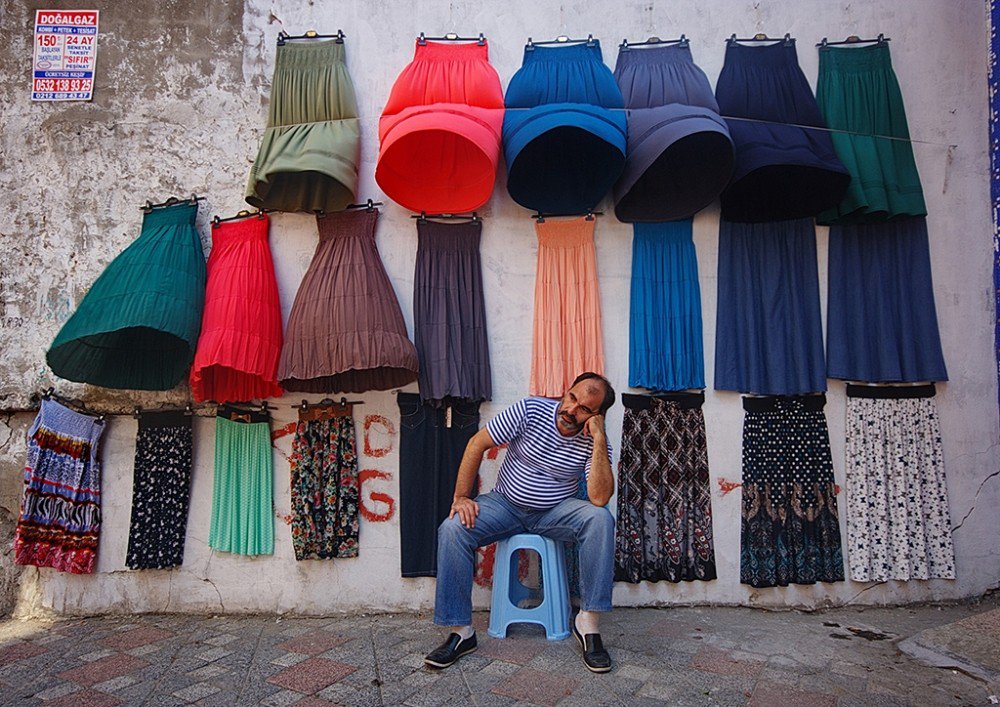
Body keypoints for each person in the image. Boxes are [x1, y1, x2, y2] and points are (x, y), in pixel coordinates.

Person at [424, 372, 617, 673]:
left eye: (585, 409)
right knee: (452, 528)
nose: (571, 410)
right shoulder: (530, 411)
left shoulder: (594, 443)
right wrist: (462, 496)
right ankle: (461, 632)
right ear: (566, 393)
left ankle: (588, 625)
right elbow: (477, 444)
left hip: (554, 512)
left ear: (597, 416)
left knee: (600, 519)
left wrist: (600, 438)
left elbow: (599, 497)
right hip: (505, 505)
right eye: (572, 398)